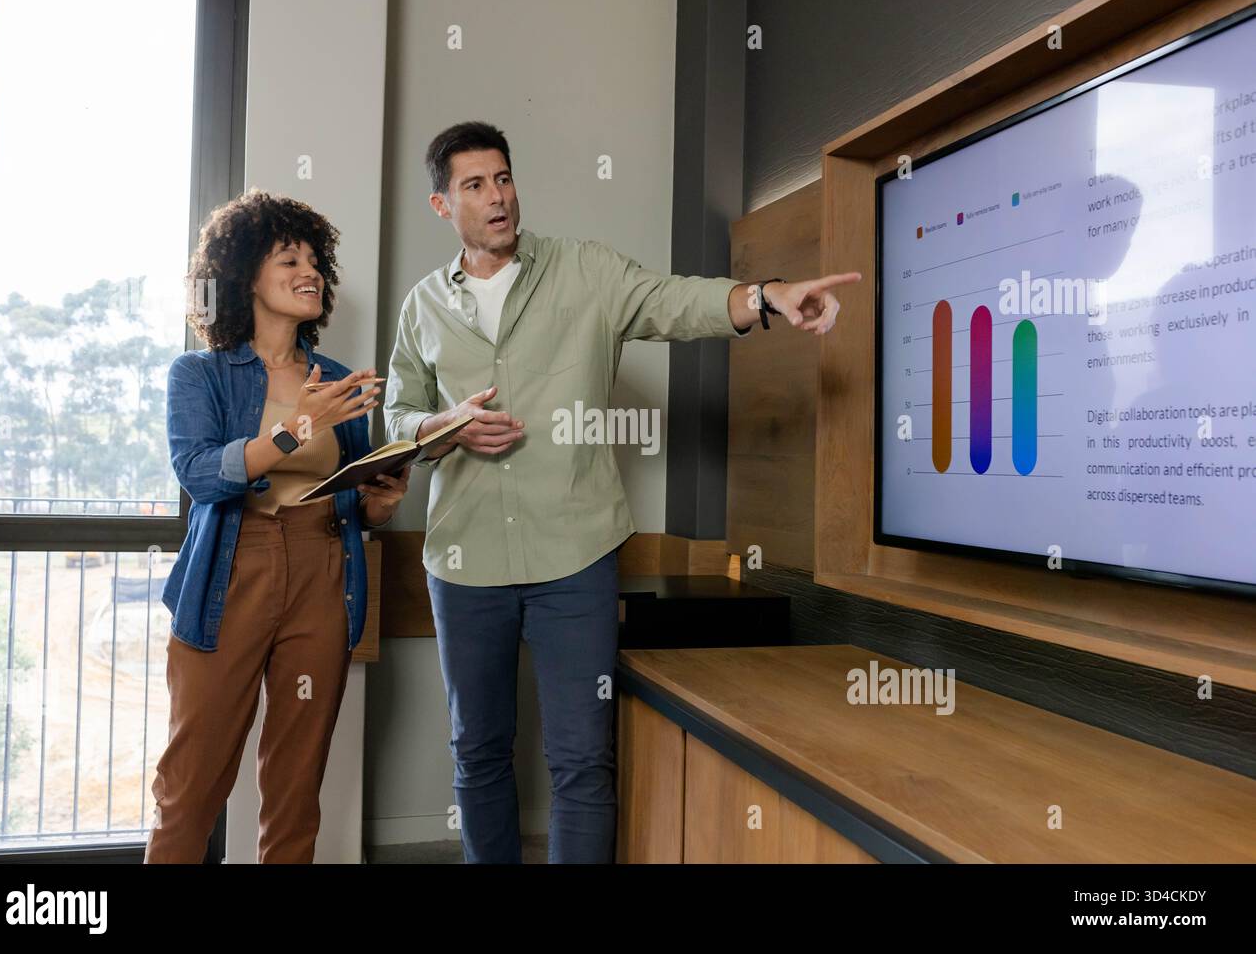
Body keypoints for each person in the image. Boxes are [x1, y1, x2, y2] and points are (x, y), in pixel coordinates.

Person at [383, 121, 861, 863]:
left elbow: (677, 302)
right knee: (477, 753)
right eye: (475, 184)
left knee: (583, 759)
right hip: (462, 560)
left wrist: (767, 296)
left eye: (504, 177)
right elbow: (399, 416)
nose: (498, 196)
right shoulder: (422, 307)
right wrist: (444, 427)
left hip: (575, 558)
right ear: (443, 206)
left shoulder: (585, 271)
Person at [147, 189, 408, 863]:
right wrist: (296, 429)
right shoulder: (199, 374)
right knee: (191, 788)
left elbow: (356, 497)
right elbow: (201, 474)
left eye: (315, 258)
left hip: (322, 570)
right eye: (288, 257)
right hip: (231, 573)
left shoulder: (340, 382)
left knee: (296, 789)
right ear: (244, 278)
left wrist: (382, 501)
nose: (310, 270)